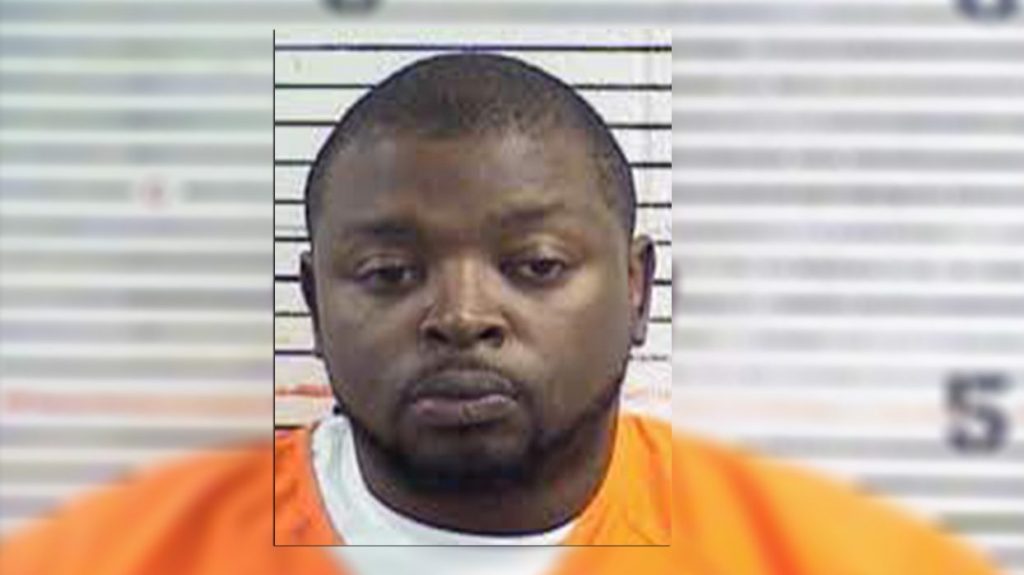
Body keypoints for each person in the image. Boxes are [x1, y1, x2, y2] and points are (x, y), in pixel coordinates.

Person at [0, 53, 998, 575]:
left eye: (535, 265)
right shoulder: (102, 558)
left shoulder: (849, 558)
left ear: (639, 288)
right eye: (389, 271)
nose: (462, 314)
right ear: (313, 301)